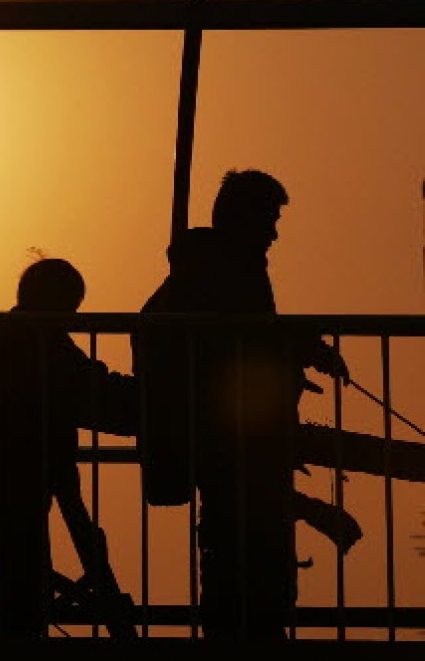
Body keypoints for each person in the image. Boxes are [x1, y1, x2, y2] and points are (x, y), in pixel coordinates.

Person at [131, 169, 356, 640]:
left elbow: (251, 336)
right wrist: (298, 352)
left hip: (234, 446)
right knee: (248, 578)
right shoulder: (221, 271)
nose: (274, 232)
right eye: (268, 219)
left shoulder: (219, 269)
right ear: (240, 218)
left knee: (242, 571)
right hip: (228, 444)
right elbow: (241, 339)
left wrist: (299, 351)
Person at [0, 256, 139, 638]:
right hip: (19, 485)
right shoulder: (37, 346)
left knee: (19, 598)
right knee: (23, 608)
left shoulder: (2, 341)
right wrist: (151, 406)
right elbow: (90, 392)